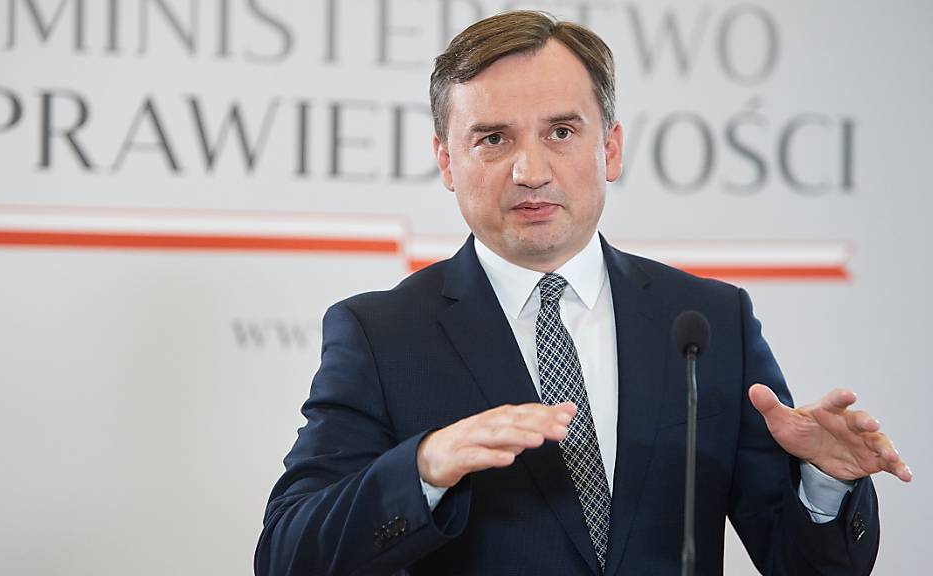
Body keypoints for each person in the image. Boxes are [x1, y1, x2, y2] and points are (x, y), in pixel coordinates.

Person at [255, 11, 911, 576]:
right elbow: (288, 553)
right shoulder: (382, 334)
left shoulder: (708, 323)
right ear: (447, 162)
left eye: (562, 133)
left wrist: (825, 486)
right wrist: (423, 469)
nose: (531, 170)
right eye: (493, 138)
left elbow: (807, 566)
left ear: (612, 148)